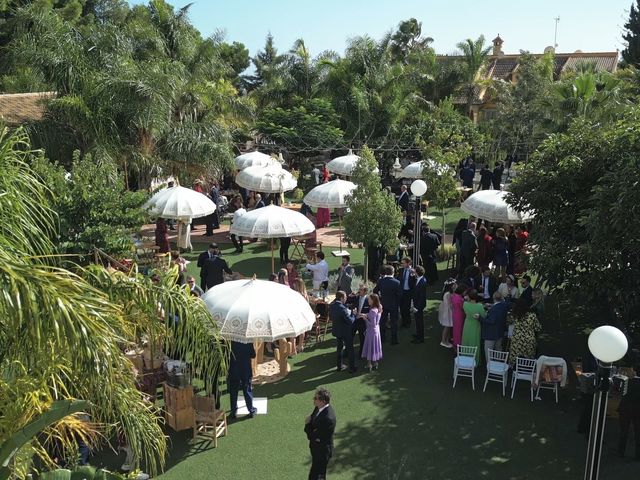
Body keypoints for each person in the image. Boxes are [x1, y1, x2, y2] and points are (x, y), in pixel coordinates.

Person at [304, 387, 336, 480]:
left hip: (322, 451)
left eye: (316, 398)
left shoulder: (328, 419)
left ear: (323, 401)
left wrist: (307, 424)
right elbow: (313, 422)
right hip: (316, 447)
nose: (313, 400)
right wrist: (311, 426)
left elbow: (312, 435)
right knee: (315, 472)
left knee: (318, 475)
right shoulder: (318, 407)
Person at [507, 298, 542, 367]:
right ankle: (527, 369)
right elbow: (538, 328)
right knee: (527, 359)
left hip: (517, 340)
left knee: (515, 357)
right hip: (529, 340)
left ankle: (514, 368)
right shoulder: (532, 315)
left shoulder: (514, 315)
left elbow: (508, 322)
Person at [477, 291, 510, 363]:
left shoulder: (494, 309)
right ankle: (499, 364)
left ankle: (490, 367)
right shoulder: (504, 306)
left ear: (493, 298)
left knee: (489, 351)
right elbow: (504, 304)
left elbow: (491, 321)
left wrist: (480, 318)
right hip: (500, 332)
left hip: (491, 333)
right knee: (498, 349)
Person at [228, 341, 257, 419]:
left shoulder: (232, 341)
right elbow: (253, 355)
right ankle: (251, 410)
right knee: (247, 388)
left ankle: (233, 411)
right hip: (245, 369)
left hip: (234, 368)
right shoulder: (248, 342)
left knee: (233, 390)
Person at [374, 265, 401, 345]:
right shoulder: (397, 282)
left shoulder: (381, 281)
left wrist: (379, 300)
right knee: (394, 322)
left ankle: (382, 338)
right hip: (394, 305)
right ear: (393, 272)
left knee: (382, 321)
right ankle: (394, 339)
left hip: (383, 304)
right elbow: (399, 295)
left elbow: (375, 291)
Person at [330, 291, 356, 373]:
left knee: (339, 348)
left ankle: (339, 366)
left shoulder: (332, 306)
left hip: (337, 331)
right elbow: (350, 321)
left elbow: (331, 316)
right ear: (341, 298)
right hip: (345, 332)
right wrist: (353, 314)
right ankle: (351, 368)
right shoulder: (342, 309)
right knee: (350, 349)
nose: (346, 299)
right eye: (345, 297)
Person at [618, 365, 640, 460]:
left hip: (626, 408)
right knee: (638, 432)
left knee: (624, 431)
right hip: (638, 409)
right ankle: (637, 454)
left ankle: (621, 451)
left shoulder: (628, 381)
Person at [361, 293, 383, 371]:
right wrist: (366, 315)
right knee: (375, 347)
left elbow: (372, 324)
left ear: (373, 300)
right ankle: (375, 363)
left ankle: (369, 364)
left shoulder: (373, 310)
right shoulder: (379, 307)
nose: (368, 300)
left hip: (371, 332)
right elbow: (374, 317)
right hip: (376, 331)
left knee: (370, 347)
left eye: (369, 299)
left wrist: (365, 318)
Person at [461, 289, 484, 364]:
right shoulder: (480, 306)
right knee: (475, 342)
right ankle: (474, 360)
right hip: (475, 325)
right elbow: (483, 316)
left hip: (467, 324)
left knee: (466, 341)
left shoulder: (465, 304)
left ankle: (465, 358)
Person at [347, 285, 370, 358]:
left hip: (362, 322)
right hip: (354, 320)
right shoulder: (356, 297)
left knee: (362, 339)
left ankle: (361, 354)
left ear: (365, 291)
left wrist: (364, 315)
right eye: (359, 289)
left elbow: (371, 312)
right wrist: (349, 296)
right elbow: (347, 301)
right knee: (349, 337)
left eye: (361, 290)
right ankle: (346, 353)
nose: (359, 291)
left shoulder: (368, 299)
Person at [291, 278, 309, 353]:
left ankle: (293, 349)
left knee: (293, 332)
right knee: (302, 331)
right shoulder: (305, 294)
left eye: (294, 284)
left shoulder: (296, 294)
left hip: (296, 314)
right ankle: (300, 346)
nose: (293, 285)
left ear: (298, 285)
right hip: (303, 314)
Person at [397, 257, 415, 328]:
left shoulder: (412, 271)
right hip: (402, 292)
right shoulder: (401, 270)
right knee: (401, 308)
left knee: (406, 308)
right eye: (402, 263)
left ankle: (408, 322)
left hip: (408, 292)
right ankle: (403, 322)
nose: (402, 264)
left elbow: (414, 282)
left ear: (408, 263)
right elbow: (398, 279)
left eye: (404, 263)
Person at [438, 279, 456, 348]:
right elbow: (450, 305)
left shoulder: (449, 293)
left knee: (448, 326)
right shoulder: (448, 294)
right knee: (447, 326)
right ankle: (443, 341)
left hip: (448, 311)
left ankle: (447, 340)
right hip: (447, 312)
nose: (455, 285)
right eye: (454, 284)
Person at [411, 265, 427, 344]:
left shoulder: (422, 282)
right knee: (417, 321)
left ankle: (420, 338)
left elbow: (422, 296)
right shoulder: (419, 279)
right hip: (416, 303)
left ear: (417, 272)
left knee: (419, 321)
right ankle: (418, 334)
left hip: (419, 305)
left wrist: (417, 307)